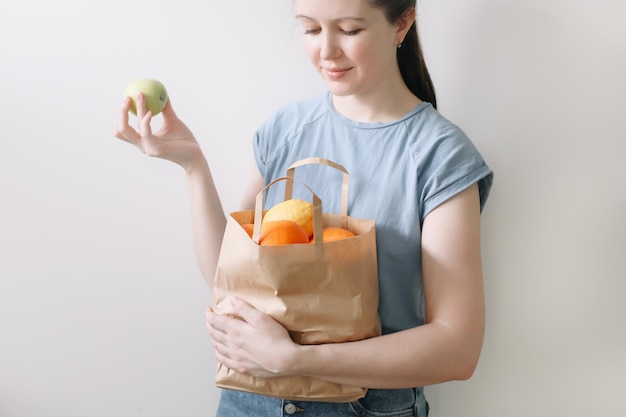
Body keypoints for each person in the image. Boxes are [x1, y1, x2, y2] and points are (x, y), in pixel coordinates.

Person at [114, 0, 494, 415]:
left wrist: (294, 360)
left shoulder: (439, 155)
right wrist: (193, 165)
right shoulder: (286, 130)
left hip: (365, 406)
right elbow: (229, 280)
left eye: (349, 30)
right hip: (251, 398)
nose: (326, 50)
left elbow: (458, 348)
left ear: (402, 23)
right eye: (311, 29)